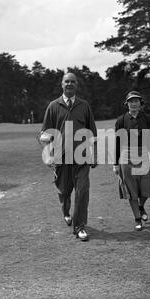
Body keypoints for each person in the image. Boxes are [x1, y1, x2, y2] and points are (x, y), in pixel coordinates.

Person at [40, 73, 97, 241]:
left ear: (77, 85)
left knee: (82, 191)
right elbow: (44, 132)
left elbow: (91, 133)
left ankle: (80, 226)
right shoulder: (53, 106)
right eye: (67, 81)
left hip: (82, 157)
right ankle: (66, 211)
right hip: (61, 157)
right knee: (64, 191)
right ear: (62, 84)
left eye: (73, 82)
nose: (70, 84)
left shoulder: (84, 105)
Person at [113, 91, 150, 231]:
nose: (134, 103)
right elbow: (117, 143)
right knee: (131, 189)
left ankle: (140, 206)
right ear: (127, 104)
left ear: (140, 103)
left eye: (136, 101)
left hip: (143, 154)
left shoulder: (147, 119)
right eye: (131, 101)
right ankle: (137, 218)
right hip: (126, 156)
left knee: (146, 188)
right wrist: (115, 163)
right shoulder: (121, 121)